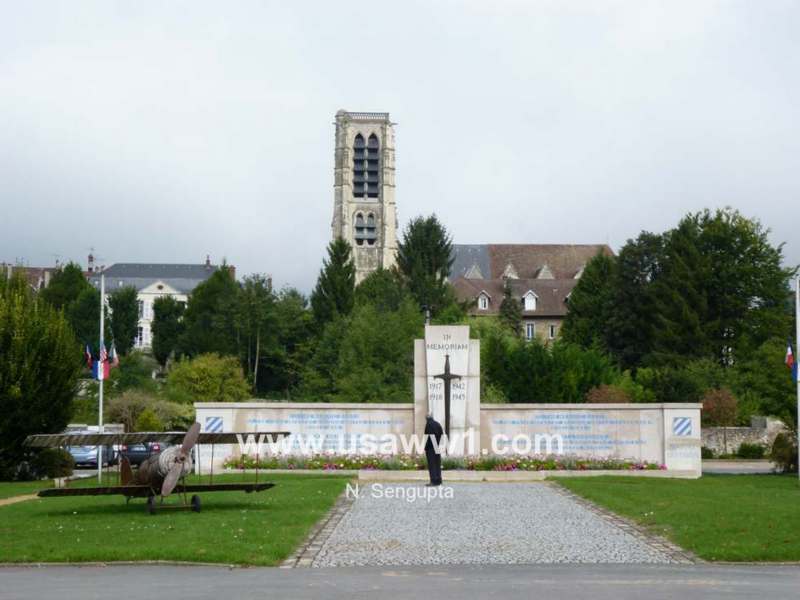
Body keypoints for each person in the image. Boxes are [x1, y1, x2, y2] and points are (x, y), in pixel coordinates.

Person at [424, 414, 444, 486]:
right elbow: (442, 435)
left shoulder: (428, 424)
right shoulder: (438, 424)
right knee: (437, 463)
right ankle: (439, 480)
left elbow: (428, 436)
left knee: (432, 464)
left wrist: (426, 446)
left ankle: (433, 481)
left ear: (427, 418)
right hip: (437, 446)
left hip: (431, 447)